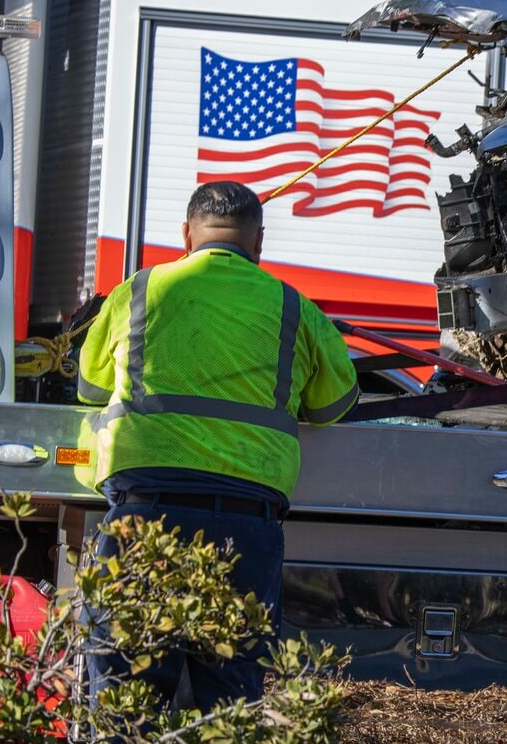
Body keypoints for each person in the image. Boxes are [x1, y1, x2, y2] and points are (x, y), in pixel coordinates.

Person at [75, 180, 359, 711]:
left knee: (123, 701)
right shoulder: (293, 308)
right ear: (258, 244)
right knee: (229, 707)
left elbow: (89, 389)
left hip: (143, 517)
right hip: (245, 526)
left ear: (186, 234)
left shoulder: (139, 290)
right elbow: (332, 407)